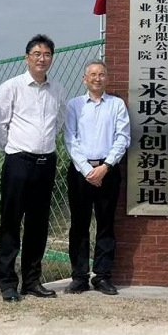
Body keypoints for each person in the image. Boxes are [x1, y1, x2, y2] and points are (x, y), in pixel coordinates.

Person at [0, 34, 68, 301]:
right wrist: (13, 150)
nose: (42, 59)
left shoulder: (58, 90)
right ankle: (7, 282)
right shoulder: (11, 87)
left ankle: (32, 281)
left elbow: (58, 122)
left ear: (52, 58)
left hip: (45, 162)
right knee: (11, 223)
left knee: (38, 224)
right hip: (18, 162)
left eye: (47, 54)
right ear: (27, 58)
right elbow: (0, 126)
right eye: (37, 54)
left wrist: (41, 145)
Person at [63, 61, 131, 296]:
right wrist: (86, 170)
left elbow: (123, 137)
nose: (97, 78)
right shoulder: (74, 105)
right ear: (84, 79)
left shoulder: (116, 104)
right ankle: (79, 276)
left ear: (107, 79)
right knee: (79, 225)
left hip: (108, 171)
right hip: (80, 172)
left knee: (106, 224)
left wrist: (105, 167)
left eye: (101, 74)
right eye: (92, 74)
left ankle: (102, 276)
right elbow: (70, 138)